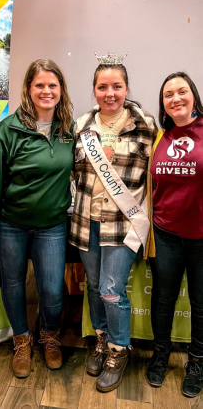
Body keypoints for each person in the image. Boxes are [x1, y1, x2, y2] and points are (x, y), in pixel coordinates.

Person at [0, 59, 74, 378]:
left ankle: (49, 336)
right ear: (29, 89)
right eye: (39, 85)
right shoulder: (7, 130)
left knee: (52, 290)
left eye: (52, 85)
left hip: (52, 227)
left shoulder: (69, 130)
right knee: (14, 284)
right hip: (11, 226)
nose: (46, 91)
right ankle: (21, 340)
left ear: (61, 90)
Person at [69, 52, 157, 392]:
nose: (110, 93)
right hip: (86, 221)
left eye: (117, 86)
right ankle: (102, 341)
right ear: (94, 90)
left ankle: (120, 350)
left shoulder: (146, 124)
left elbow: (155, 175)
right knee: (93, 286)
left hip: (123, 224)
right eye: (103, 87)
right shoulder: (81, 126)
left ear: (126, 88)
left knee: (110, 290)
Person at [146, 72, 203, 398]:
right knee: (163, 299)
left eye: (182, 91)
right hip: (165, 234)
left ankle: (197, 361)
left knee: (201, 303)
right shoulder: (160, 136)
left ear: (193, 95)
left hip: (201, 238)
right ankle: (161, 354)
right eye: (169, 94)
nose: (176, 98)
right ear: (163, 104)